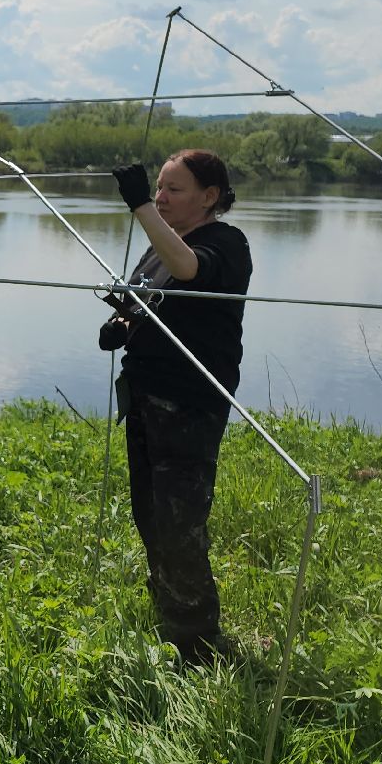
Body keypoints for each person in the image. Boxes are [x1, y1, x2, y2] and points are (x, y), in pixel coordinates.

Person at [102, 149, 251, 666]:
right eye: (158, 188)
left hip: (189, 404)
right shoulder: (158, 247)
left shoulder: (224, 243)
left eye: (173, 190)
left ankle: (198, 645)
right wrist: (122, 326)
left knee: (180, 521)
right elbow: (149, 302)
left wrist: (140, 205)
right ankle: (167, 612)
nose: (162, 198)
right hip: (145, 394)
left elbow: (187, 271)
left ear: (210, 197)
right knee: (149, 511)